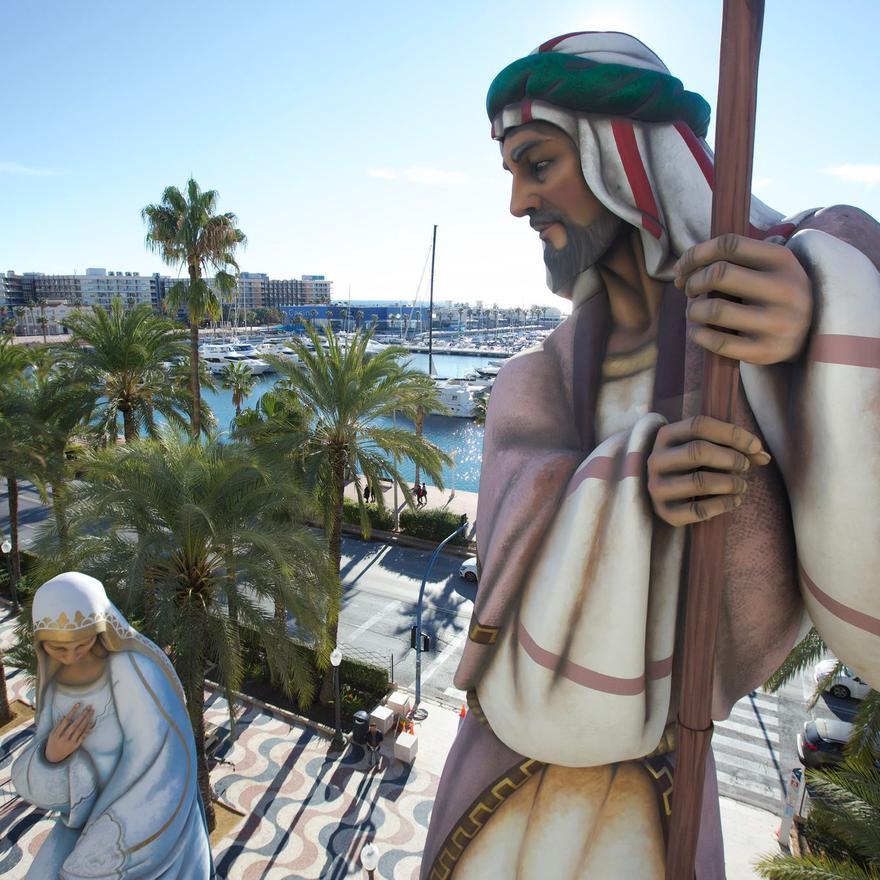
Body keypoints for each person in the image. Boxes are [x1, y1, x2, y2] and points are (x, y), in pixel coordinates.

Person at [421, 31, 880, 880]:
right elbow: (509, 557)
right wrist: (631, 483)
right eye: (513, 172)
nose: (520, 202)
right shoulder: (539, 377)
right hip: (507, 779)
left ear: (617, 156)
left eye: (537, 162)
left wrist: (813, 322)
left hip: (657, 788)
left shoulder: (774, 284)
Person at [12, 572, 214, 879]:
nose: (70, 657)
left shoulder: (133, 669)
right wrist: (51, 757)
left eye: (80, 644)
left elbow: (162, 764)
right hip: (82, 820)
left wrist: (105, 846)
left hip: (135, 827)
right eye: (57, 649)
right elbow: (38, 779)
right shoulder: (54, 685)